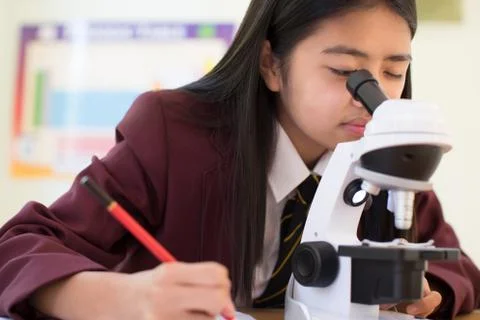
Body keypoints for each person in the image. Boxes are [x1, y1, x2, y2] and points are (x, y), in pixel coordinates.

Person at [0, 0, 479, 319]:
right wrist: (126, 298)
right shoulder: (172, 133)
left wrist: (424, 293)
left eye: (394, 71)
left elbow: (457, 267)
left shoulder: (384, 150)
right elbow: (19, 248)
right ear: (271, 63)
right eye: (345, 72)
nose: (372, 98)